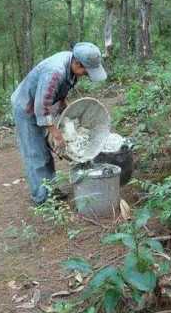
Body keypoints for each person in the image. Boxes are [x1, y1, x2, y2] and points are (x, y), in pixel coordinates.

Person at [11, 42, 107, 205]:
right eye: (85, 70)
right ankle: (42, 199)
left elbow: (60, 90)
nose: (86, 74)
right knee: (36, 153)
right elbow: (41, 105)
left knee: (45, 153)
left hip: (40, 105)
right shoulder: (55, 71)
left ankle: (50, 190)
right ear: (77, 63)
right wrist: (56, 134)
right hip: (26, 107)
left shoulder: (71, 65)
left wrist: (65, 106)